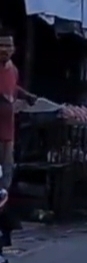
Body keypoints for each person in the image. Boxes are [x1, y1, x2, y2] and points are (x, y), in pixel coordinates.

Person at [0, 34, 37, 195]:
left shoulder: (13, 69)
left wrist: (26, 95)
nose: (5, 50)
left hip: (8, 131)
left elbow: (13, 88)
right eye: (1, 45)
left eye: (9, 46)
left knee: (7, 168)